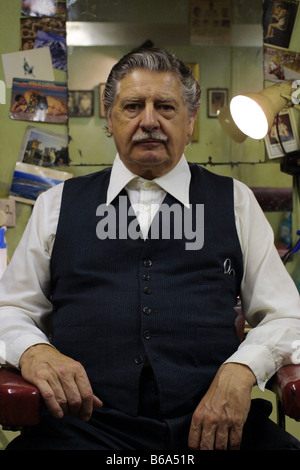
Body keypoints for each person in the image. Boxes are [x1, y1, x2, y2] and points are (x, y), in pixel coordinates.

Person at [1, 48, 300, 451]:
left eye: (165, 107)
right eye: (132, 106)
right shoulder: (55, 204)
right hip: (84, 426)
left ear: (190, 120)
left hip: (213, 424)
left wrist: (243, 369)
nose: (148, 121)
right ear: (110, 118)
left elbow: (286, 315)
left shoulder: (235, 201)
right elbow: (10, 309)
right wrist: (33, 350)